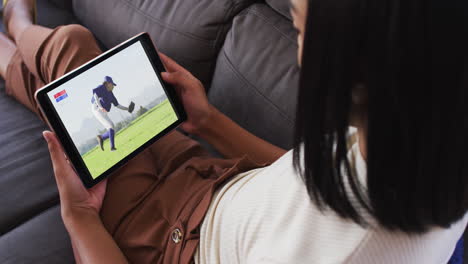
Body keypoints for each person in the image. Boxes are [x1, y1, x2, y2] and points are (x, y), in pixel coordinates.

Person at [0, 0, 467, 263]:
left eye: (299, 30)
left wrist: (80, 217)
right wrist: (209, 122)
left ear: (350, 65)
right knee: (78, 73)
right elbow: (304, 179)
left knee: (70, 50)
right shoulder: (423, 143)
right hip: (212, 180)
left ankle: (14, 27)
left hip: (168, 238)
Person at [91, 76, 130, 152]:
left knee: (112, 126)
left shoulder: (111, 94)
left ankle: (101, 137)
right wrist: (100, 107)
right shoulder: (102, 87)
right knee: (110, 126)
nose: (113, 86)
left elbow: (117, 105)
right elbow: (95, 96)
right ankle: (112, 148)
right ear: (107, 84)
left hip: (103, 110)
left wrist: (127, 108)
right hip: (97, 108)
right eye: (112, 84)